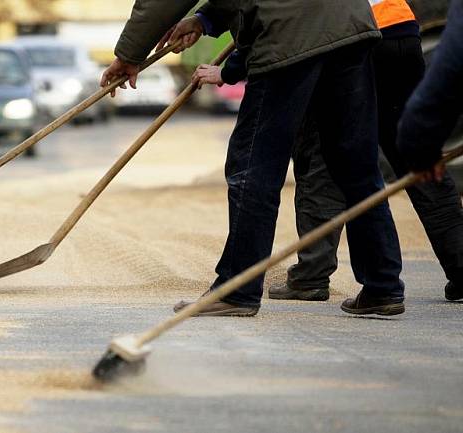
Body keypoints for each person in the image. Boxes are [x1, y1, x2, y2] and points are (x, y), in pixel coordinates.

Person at [101, 0, 406, 317]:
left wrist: (128, 56)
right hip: (349, 23)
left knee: (252, 168)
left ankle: (237, 290)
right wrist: (205, 19)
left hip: (288, 34)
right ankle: (383, 286)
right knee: (356, 164)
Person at [194, 1, 463, 303]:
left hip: (349, 38)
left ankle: (312, 275)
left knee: (325, 158)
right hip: (401, 29)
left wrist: (230, 68)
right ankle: (454, 269)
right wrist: (206, 20)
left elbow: (282, 22)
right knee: (416, 163)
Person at [397, 0, 463, 260]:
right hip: (400, 28)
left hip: (369, 36)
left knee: (348, 160)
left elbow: (451, 70)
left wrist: (420, 145)